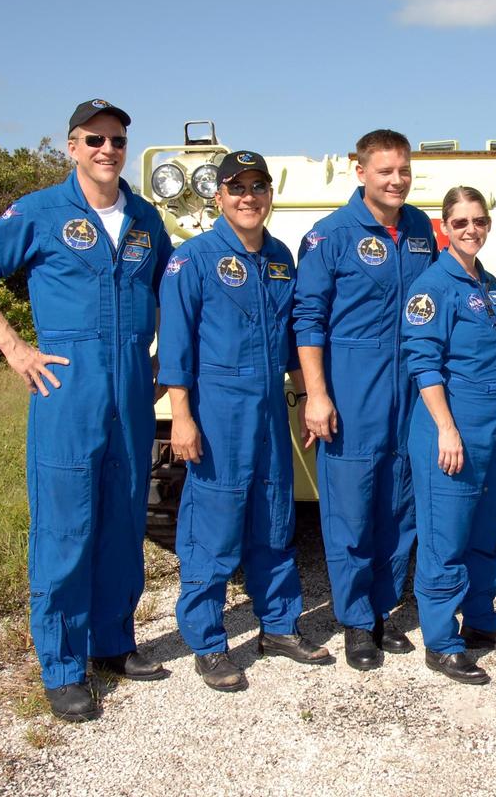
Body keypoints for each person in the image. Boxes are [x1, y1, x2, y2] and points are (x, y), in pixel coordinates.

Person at [0, 99, 172, 721]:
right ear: (71, 147)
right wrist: (15, 348)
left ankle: (112, 643)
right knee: (67, 524)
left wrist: (157, 364)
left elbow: (163, 294)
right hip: (66, 385)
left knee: (124, 519)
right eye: (94, 139)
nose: (108, 150)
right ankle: (62, 666)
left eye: (117, 140)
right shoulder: (41, 212)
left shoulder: (146, 219)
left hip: (130, 384)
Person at [157, 151, 330, 692]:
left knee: (274, 517)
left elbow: (294, 336)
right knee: (214, 523)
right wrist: (181, 417)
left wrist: (306, 393)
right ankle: (208, 642)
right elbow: (177, 346)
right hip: (217, 409)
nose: (248, 196)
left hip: (269, 409)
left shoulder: (280, 258)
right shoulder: (195, 259)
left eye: (258, 186)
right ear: (219, 197)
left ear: (270, 194)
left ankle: (278, 625)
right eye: (237, 187)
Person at [293, 130, 439, 669]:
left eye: (403, 170)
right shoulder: (329, 236)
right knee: (351, 508)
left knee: (400, 506)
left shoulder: (422, 228)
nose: (397, 180)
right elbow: (307, 318)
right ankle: (355, 621)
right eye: (385, 171)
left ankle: (382, 608)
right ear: (361, 173)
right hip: (354, 379)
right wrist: (317, 393)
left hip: (411, 381)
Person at [401, 186, 496, 685]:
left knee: (484, 531)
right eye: (461, 223)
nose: (471, 229)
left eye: (479, 221)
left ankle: (480, 621)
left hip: (494, 426)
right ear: (445, 227)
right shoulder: (432, 287)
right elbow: (424, 365)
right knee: (445, 537)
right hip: (450, 429)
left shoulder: (492, 284)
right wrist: (447, 429)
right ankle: (441, 641)